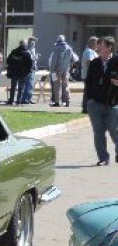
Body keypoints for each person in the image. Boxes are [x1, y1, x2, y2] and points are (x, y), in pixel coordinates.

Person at [83, 36, 118, 166]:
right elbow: (88, 83)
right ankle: (103, 158)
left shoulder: (116, 61)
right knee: (98, 132)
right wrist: (88, 102)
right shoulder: (94, 63)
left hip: (113, 104)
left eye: (101, 46)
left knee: (115, 131)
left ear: (109, 47)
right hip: (95, 104)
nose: (98, 48)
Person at [48, 35, 76, 107]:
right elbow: (74, 59)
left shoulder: (57, 48)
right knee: (65, 85)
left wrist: (51, 70)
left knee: (56, 86)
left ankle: (57, 102)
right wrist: (69, 66)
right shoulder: (69, 48)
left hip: (57, 70)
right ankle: (67, 101)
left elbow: (54, 60)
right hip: (66, 70)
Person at [5, 40, 32, 105]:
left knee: (13, 87)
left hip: (14, 72)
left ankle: (11, 100)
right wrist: (26, 72)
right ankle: (18, 101)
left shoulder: (14, 52)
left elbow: (8, 61)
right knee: (20, 88)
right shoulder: (26, 53)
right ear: (25, 45)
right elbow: (29, 65)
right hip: (22, 73)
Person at [81, 36, 100, 113]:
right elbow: (90, 62)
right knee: (88, 92)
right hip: (89, 76)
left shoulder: (92, 52)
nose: (97, 46)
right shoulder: (89, 51)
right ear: (92, 43)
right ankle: (86, 108)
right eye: (96, 44)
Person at [21, 36, 39, 104]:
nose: (34, 43)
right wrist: (35, 58)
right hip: (29, 69)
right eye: (33, 41)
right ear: (31, 42)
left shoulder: (32, 49)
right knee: (29, 85)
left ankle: (28, 98)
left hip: (32, 69)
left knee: (30, 85)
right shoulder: (28, 49)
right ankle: (25, 99)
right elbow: (29, 59)